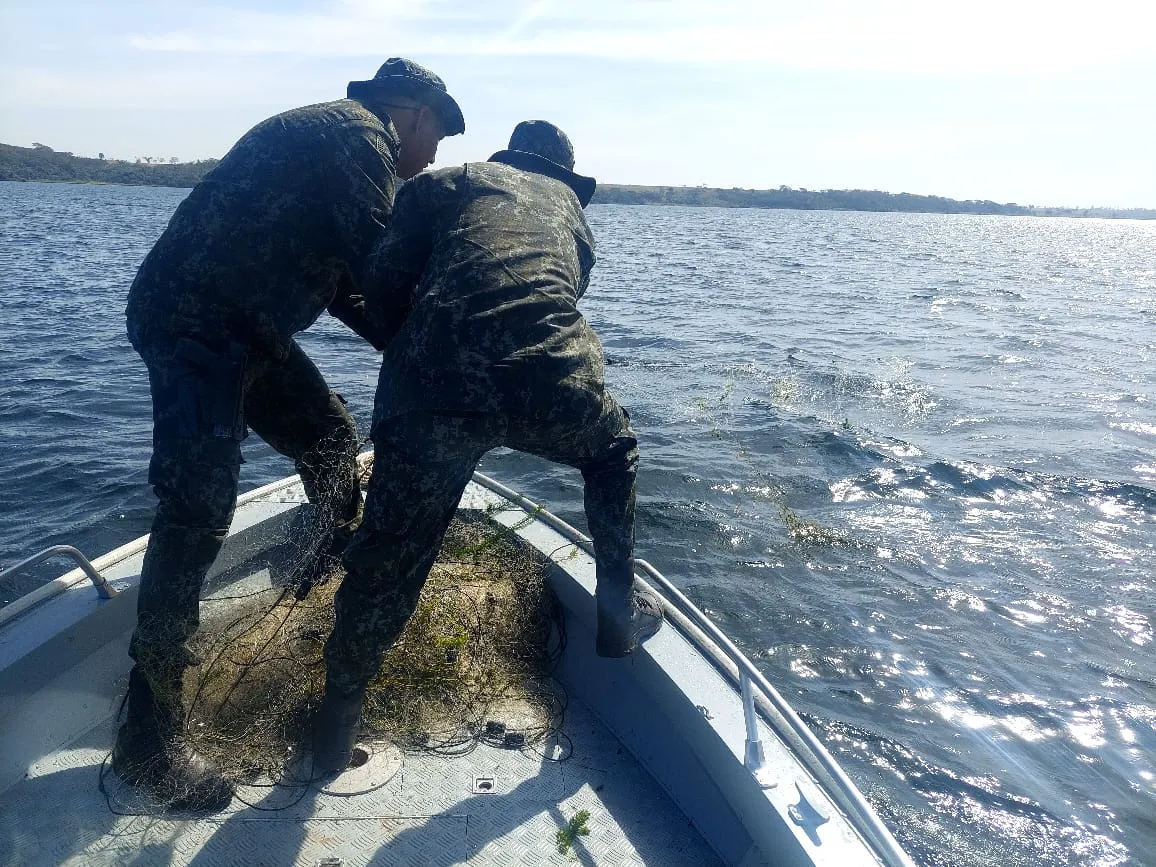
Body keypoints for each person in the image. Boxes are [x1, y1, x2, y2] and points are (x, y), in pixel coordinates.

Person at [115, 58, 464, 811]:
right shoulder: (357, 137)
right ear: (411, 113)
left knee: (333, 445)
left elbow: (355, 294)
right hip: (195, 324)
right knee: (199, 504)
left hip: (248, 330)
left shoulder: (338, 155)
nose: (434, 155)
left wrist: (422, 357)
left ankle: (316, 586)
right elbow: (383, 261)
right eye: (438, 134)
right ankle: (148, 729)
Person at [312, 120, 663, 772]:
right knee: (612, 451)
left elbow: (383, 279)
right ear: (567, 175)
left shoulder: (447, 181)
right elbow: (539, 302)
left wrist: (415, 356)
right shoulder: (574, 218)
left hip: (430, 391)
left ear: (506, 155)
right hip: (550, 381)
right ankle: (618, 614)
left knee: (389, 563)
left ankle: (334, 725)